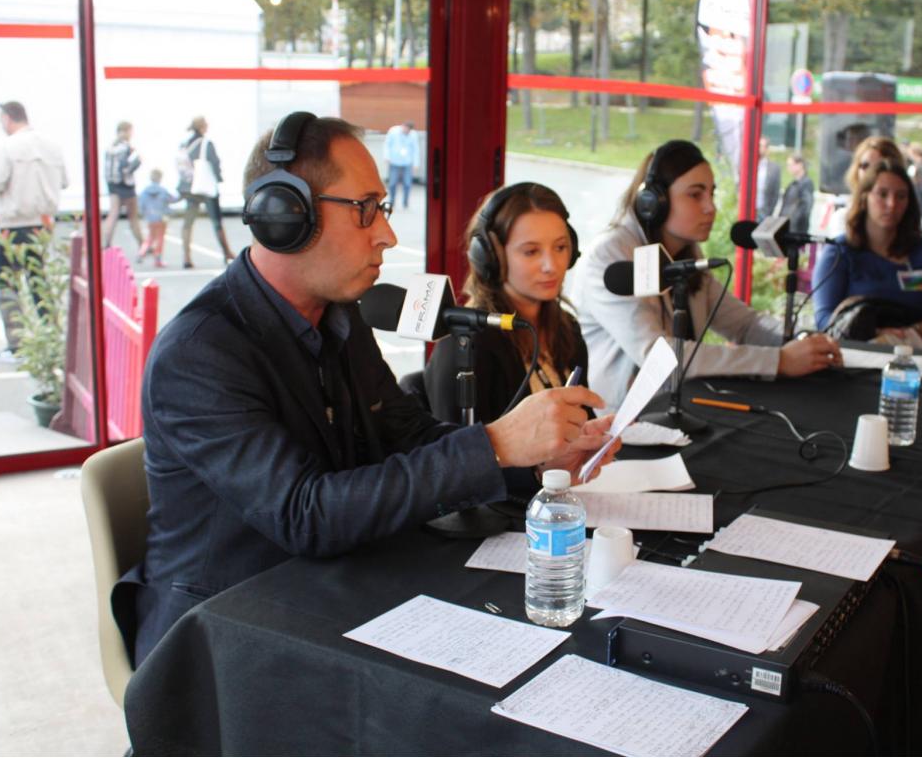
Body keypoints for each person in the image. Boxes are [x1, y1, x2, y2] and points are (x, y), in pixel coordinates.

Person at [120, 114, 616, 666]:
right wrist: (495, 444)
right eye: (365, 209)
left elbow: (405, 432)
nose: (387, 233)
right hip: (224, 636)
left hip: (332, 590)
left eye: (381, 208)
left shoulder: (339, 317)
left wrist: (532, 462)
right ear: (285, 216)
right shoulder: (198, 353)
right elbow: (304, 514)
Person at [573, 139, 842, 413]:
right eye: (695, 195)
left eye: (711, 194)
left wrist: (805, 339)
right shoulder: (611, 256)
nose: (710, 207)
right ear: (653, 202)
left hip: (680, 409)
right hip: (622, 426)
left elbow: (745, 325)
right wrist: (778, 361)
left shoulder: (686, 254)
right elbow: (661, 358)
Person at [425, 182, 587, 423]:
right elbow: (455, 454)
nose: (551, 265)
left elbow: (585, 415)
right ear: (491, 258)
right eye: (531, 252)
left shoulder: (566, 327)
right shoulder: (465, 346)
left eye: (560, 247)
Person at [811, 161, 922, 336]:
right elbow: (824, 322)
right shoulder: (839, 253)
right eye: (882, 194)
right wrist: (879, 335)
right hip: (854, 353)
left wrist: (910, 334)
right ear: (864, 198)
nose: (892, 204)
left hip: (915, 352)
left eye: (901, 196)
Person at [0, 101, 68, 364]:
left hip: (13, 226)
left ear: (8, 119)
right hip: (43, 225)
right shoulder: (51, 146)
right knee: (41, 283)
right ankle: (51, 336)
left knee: (9, 285)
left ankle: (17, 344)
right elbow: (65, 181)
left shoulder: (7, 147)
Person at [177, 116, 235, 267]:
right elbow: (215, 163)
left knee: (188, 222)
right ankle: (226, 253)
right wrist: (219, 179)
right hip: (206, 187)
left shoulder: (184, 144)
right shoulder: (206, 143)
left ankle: (186, 257)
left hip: (190, 188)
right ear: (202, 127)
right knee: (216, 221)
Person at [823, 136, 905, 239]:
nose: (869, 174)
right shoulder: (842, 218)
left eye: (879, 167)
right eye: (865, 166)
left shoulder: (911, 223)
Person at [101, 120, 143, 249]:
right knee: (133, 217)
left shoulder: (110, 148)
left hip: (112, 184)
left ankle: (105, 241)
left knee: (113, 213)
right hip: (126, 185)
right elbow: (129, 166)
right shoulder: (126, 148)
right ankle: (142, 244)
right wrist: (137, 163)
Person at [137, 169, 178, 268]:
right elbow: (171, 200)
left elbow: (141, 205)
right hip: (161, 218)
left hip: (150, 218)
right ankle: (158, 259)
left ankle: (141, 252)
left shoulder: (144, 191)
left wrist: (144, 215)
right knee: (160, 239)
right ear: (160, 178)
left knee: (150, 237)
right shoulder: (163, 190)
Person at [384, 120, 420, 210]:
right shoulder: (393, 131)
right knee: (392, 183)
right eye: (405, 129)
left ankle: (405, 202)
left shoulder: (413, 135)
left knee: (407, 183)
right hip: (394, 161)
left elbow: (416, 149)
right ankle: (392, 201)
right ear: (402, 126)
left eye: (408, 130)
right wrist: (387, 156)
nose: (406, 131)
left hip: (407, 162)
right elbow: (387, 144)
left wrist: (416, 164)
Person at [779, 153, 814, 235]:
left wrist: (794, 222)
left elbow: (806, 207)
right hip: (786, 227)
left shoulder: (806, 183)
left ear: (800, 165)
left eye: (791, 165)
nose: (788, 168)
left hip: (796, 230)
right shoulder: (792, 184)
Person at [755, 136, 781, 221]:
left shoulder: (774, 168)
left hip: (764, 211)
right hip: (749, 210)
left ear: (766, 149)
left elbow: (775, 192)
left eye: (761, 146)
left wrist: (769, 211)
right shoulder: (748, 165)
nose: (758, 148)